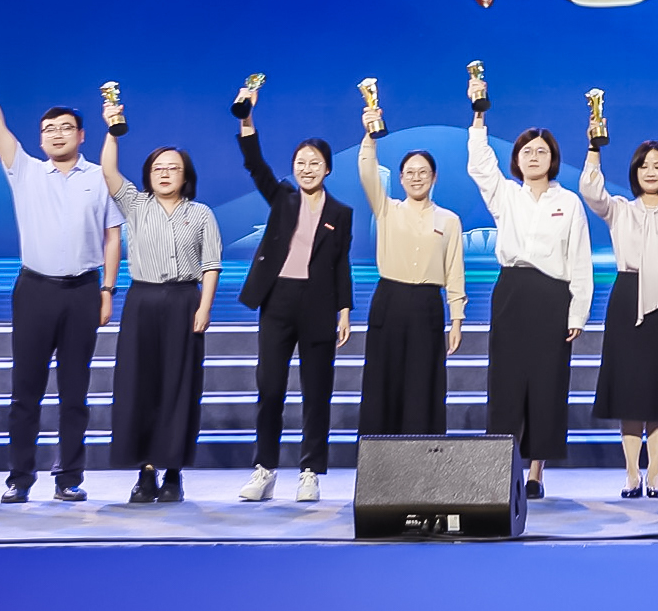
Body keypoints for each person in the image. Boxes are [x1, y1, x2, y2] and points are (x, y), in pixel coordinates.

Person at [0, 60, 122, 504]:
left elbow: (113, 236)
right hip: (35, 290)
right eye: (48, 129)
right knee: (26, 391)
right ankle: (19, 477)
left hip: (83, 291)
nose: (57, 135)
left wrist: (108, 290)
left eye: (65, 128)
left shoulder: (100, 177)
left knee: (75, 392)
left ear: (82, 135)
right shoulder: (27, 171)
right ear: (40, 139)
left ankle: (69, 476)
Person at [465, 68, 591, 501]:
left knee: (546, 383)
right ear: (516, 159)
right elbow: (480, 165)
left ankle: (536, 471)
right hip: (512, 293)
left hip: (553, 298)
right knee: (506, 382)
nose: (534, 157)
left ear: (552, 159)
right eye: (526, 151)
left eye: (541, 151)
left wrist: (577, 312)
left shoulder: (568, 202)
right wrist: (479, 115)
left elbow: (580, 261)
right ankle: (505, 468)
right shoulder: (506, 195)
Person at [233, 78, 354, 504]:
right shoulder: (282, 198)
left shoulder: (341, 212)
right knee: (270, 389)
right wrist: (247, 118)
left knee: (316, 394)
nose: (307, 168)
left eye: (314, 162)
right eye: (301, 162)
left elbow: (341, 264)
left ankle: (310, 472)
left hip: (319, 305)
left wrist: (344, 310)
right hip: (278, 301)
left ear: (327, 168)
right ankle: (264, 469)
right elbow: (256, 165)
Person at [98, 99, 221, 504]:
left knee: (179, 386)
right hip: (143, 301)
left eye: (173, 168)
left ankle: (173, 472)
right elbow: (108, 171)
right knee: (140, 384)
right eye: (158, 168)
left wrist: (204, 308)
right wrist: (111, 129)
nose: (165, 174)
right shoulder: (135, 205)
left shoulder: (201, 213)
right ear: (149, 175)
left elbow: (211, 265)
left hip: (185, 302)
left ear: (186, 176)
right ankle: (145, 471)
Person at [580, 118, 658, 499]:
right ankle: (632, 473)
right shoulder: (620, 209)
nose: (650, 171)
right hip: (626, 299)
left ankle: (655, 474)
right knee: (629, 392)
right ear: (634, 171)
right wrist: (594, 147)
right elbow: (590, 191)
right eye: (644, 165)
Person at [353, 98, 465, 435]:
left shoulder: (449, 220)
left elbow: (454, 271)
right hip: (390, 300)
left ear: (434, 177)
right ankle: (379, 458)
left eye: (423, 172)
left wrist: (456, 319)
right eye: (410, 173)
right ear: (400, 179)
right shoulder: (387, 209)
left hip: (428, 305)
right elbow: (367, 172)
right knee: (383, 380)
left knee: (423, 383)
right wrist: (369, 136)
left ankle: (422, 455)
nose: (417, 178)